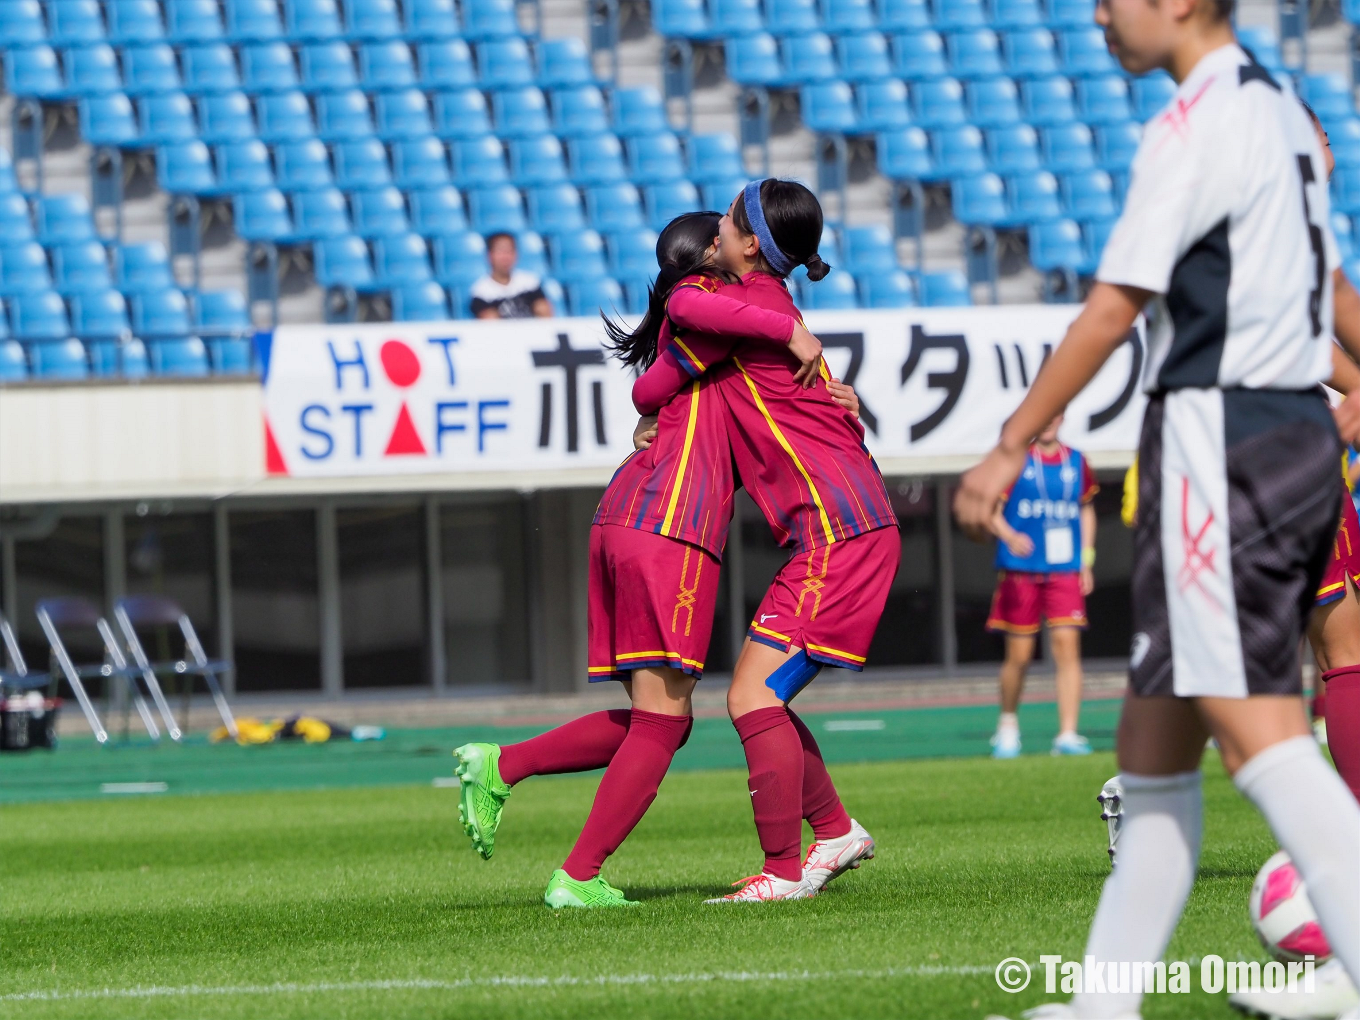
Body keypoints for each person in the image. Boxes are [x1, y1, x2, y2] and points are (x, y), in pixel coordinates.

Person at [955, 0, 1360, 1016]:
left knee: (1262, 736)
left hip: (1221, 445)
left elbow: (1111, 306)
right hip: (1283, 436)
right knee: (1152, 754)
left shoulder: (1194, 121)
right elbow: (1329, 288)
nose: (1098, 12)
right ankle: (1103, 1005)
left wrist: (1010, 444)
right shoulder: (1281, 110)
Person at [450, 213, 852, 908]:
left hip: (628, 513)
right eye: (724, 231)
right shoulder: (711, 312)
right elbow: (687, 334)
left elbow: (653, 387)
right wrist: (795, 335)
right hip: (672, 523)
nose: (735, 233)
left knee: (656, 716)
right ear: (709, 261)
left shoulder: (701, 329)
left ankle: (502, 766)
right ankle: (578, 877)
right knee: (665, 721)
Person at [630, 179, 900, 902]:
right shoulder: (770, 307)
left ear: (749, 243)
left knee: (751, 697)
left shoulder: (747, 309)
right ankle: (834, 832)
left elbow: (674, 325)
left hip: (837, 532)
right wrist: (793, 337)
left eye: (729, 215)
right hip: (845, 524)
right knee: (760, 696)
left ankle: (783, 873)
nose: (717, 223)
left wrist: (785, 335)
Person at [985, 411, 1098, 759]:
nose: (1048, 421)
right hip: (1021, 570)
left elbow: (1086, 509)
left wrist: (1086, 558)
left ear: (1063, 417)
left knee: (1068, 648)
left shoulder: (1076, 461)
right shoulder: (1017, 459)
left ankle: (1068, 733)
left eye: (1055, 414)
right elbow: (989, 509)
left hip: (1064, 569)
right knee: (1019, 655)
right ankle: (1007, 726)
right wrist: (1009, 536)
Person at [468, 233, 554, 319]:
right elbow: (490, 322)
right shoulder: (481, 292)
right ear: (490, 255)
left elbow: (545, 313)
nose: (505, 257)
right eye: (500, 251)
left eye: (509, 251)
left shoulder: (530, 282)